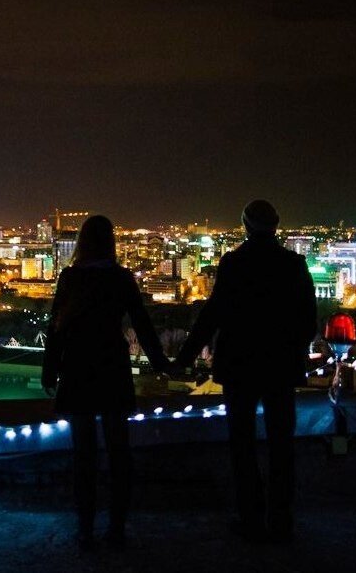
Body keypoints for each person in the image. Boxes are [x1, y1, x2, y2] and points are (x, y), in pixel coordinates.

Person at [175, 199, 317, 543]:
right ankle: (281, 519)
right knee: (281, 444)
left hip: (240, 365)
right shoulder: (294, 264)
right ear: (276, 225)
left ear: (246, 226)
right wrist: (293, 350)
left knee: (242, 444)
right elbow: (308, 320)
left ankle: (251, 518)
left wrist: (185, 357)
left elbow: (213, 314)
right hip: (280, 366)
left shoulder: (234, 263)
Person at [41, 215, 169, 550]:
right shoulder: (121, 277)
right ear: (111, 242)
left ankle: (85, 529)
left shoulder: (71, 277)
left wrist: (49, 371)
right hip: (112, 366)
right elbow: (141, 323)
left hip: (78, 368)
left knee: (83, 455)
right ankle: (116, 528)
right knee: (118, 453)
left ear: (81, 242)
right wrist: (161, 362)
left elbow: (57, 327)